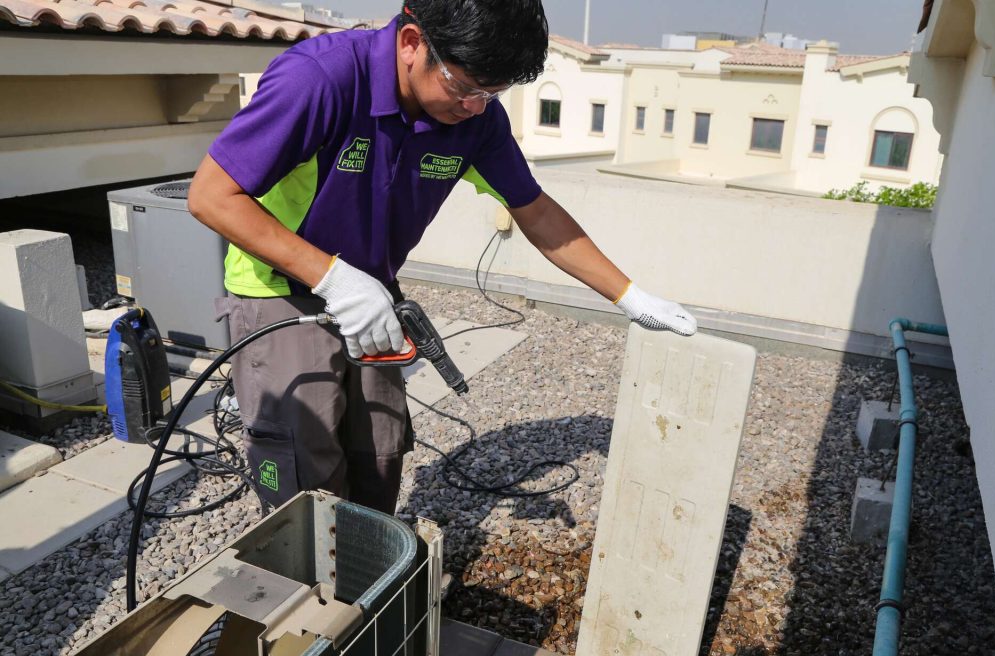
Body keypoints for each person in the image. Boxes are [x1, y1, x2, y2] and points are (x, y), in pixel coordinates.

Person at [188, 0, 697, 514]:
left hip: (373, 289)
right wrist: (334, 279)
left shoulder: (475, 119)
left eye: (492, 93)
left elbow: (535, 209)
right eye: (465, 88)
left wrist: (628, 295)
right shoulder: (320, 80)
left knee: (379, 448)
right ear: (411, 44)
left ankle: (371, 570)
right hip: (280, 292)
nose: (476, 106)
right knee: (306, 460)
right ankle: (312, 586)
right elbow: (211, 196)